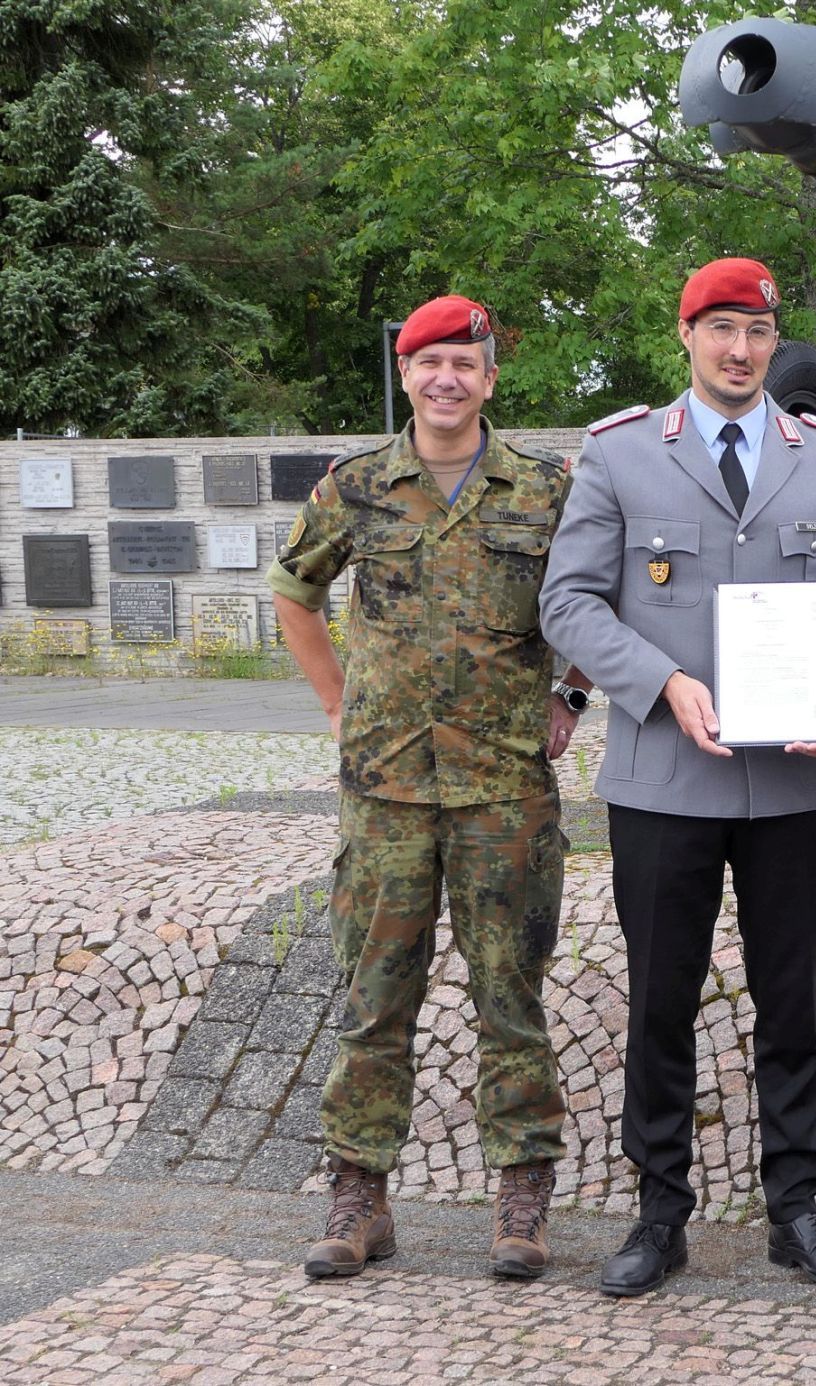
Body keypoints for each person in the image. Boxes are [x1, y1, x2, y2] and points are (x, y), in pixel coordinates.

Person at [539, 257, 816, 1298]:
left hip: (790, 789)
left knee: (790, 1003)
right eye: (722, 329)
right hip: (662, 781)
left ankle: (796, 1209)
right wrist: (662, 683)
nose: (742, 350)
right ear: (686, 334)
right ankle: (659, 1213)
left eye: (759, 331)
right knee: (661, 1000)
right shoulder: (616, 455)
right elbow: (569, 605)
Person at [269, 294, 590, 1283]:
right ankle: (359, 1198)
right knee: (374, 999)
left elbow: (592, 600)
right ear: (405, 376)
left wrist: (572, 693)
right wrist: (339, 706)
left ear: (491, 379)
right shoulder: (357, 487)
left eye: (465, 362)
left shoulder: (547, 488)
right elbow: (294, 594)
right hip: (388, 789)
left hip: (504, 790)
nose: (446, 378)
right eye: (428, 362)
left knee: (511, 996)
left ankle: (522, 1202)